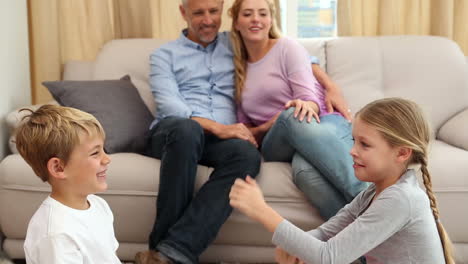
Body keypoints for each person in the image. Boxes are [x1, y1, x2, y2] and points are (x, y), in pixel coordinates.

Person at [136, 0, 354, 263]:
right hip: (173, 132)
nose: (207, 20)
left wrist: (331, 86)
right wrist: (222, 128)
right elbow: (171, 107)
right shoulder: (164, 55)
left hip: (216, 140)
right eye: (198, 13)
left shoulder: (234, 42)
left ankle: (176, 251)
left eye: (213, 12)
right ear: (183, 13)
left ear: (222, 13)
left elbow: (298, 55)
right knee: (187, 129)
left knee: (247, 156)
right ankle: (158, 245)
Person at [229, 97, 455, 264]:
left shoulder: (401, 198)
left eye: (364, 145)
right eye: (354, 141)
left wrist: (261, 211)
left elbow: (328, 257)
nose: (352, 151)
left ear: (402, 153)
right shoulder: (372, 194)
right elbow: (325, 234)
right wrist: (294, 248)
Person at [229, 0, 368, 220]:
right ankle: (374, 200)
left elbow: (310, 100)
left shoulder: (286, 48)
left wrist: (313, 100)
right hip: (277, 141)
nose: (256, 19)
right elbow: (247, 129)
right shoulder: (237, 66)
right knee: (291, 116)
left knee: (305, 174)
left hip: (324, 122)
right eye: (247, 14)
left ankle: (362, 249)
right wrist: (269, 125)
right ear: (236, 22)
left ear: (271, 20)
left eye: (263, 13)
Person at [15, 105, 120, 264]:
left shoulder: (98, 205)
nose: (107, 159)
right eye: (95, 153)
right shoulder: (55, 234)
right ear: (58, 168)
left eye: (103, 149)